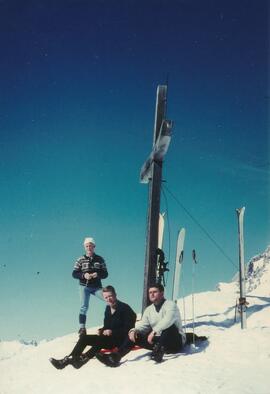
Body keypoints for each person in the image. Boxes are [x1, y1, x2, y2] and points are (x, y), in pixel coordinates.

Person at [96, 283, 186, 367]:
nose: (152, 294)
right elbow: (144, 325)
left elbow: (168, 320)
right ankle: (115, 357)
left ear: (162, 293)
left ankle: (157, 353)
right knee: (135, 334)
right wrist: (134, 330)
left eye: (155, 292)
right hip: (157, 342)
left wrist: (154, 331)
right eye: (150, 292)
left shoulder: (170, 305)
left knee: (169, 327)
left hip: (175, 342)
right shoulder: (149, 310)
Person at [49, 285, 136, 369]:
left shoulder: (125, 308)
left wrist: (112, 332)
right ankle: (69, 360)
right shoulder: (107, 309)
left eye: (110, 296)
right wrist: (102, 330)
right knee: (84, 338)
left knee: (102, 338)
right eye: (106, 297)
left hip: (120, 340)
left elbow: (129, 329)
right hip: (108, 339)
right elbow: (107, 326)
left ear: (115, 295)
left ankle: (83, 358)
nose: (108, 299)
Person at [72, 237, 108, 336]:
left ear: (94, 247)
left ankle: (110, 324)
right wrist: (84, 275)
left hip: (96, 287)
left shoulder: (100, 259)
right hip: (84, 287)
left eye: (90, 246)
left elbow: (105, 274)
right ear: (84, 247)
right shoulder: (80, 259)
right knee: (84, 306)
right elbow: (74, 273)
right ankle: (82, 328)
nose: (89, 248)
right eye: (87, 246)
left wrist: (97, 274)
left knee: (109, 300)